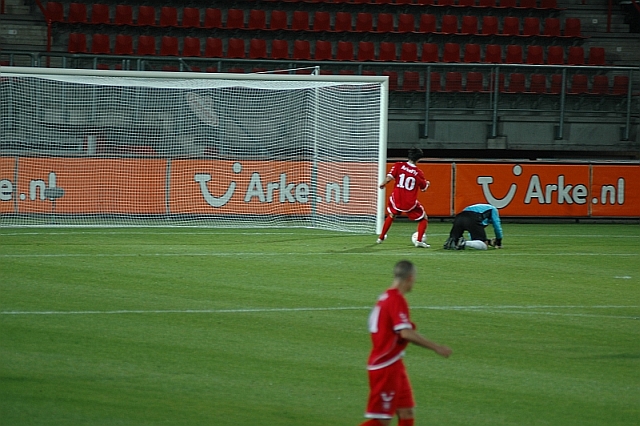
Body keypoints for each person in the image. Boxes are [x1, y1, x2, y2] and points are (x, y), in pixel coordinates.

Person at [360, 260, 452, 426]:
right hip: (385, 365)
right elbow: (405, 333)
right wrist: (436, 347)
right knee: (382, 421)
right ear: (410, 278)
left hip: (395, 363)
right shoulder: (395, 299)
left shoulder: (386, 296)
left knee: (406, 411)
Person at [377, 148, 431, 248]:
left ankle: (381, 237)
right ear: (418, 159)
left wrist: (383, 184)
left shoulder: (398, 165)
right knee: (424, 218)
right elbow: (423, 188)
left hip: (397, 199)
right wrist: (427, 183)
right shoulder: (418, 173)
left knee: (392, 215)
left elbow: (389, 177)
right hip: (409, 202)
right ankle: (419, 240)